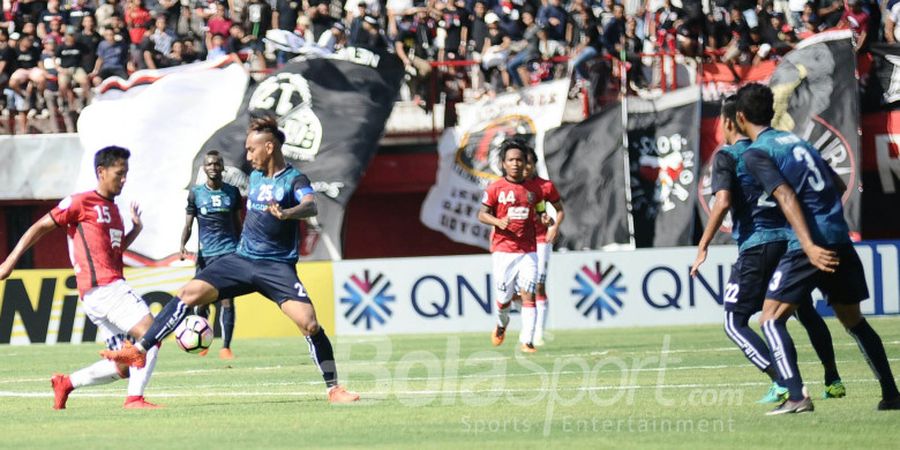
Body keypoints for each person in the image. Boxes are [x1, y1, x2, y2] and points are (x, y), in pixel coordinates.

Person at [101, 114, 359, 404]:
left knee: (310, 324)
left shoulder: (294, 179)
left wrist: (288, 213)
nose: (248, 156)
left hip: (276, 267)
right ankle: (140, 350)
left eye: (252, 149)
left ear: (269, 148)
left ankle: (334, 389)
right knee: (187, 293)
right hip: (242, 258)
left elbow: (310, 205)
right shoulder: (257, 177)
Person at [734, 83, 900, 414]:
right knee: (853, 321)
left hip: (810, 244)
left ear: (740, 118)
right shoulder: (799, 142)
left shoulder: (757, 152)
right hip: (838, 236)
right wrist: (827, 219)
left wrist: (808, 243)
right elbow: (837, 184)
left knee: (769, 319)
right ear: (772, 112)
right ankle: (892, 394)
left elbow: (784, 195)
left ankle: (796, 397)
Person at [691, 96, 845, 404]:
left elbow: (722, 202)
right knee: (805, 312)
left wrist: (703, 244)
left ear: (730, 121)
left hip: (757, 246)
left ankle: (784, 381)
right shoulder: (769, 149)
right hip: (789, 243)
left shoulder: (727, 156)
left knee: (734, 322)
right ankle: (833, 378)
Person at [0, 146, 161, 410]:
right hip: (106, 287)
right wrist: (9, 261)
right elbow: (40, 226)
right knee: (151, 335)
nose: (124, 179)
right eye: (119, 173)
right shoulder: (80, 202)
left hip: (96, 295)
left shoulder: (115, 213)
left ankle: (66, 383)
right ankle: (134, 399)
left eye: (126, 174)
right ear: (101, 171)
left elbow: (115, 252)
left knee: (123, 365)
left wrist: (135, 230)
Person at [478, 139, 547, 353]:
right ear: (503, 163)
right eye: (511, 160)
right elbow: (481, 214)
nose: (516, 163)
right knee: (503, 300)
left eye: (519, 159)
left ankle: (527, 341)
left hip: (528, 251)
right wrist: (498, 222)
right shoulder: (495, 188)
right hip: (503, 251)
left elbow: (540, 208)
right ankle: (501, 324)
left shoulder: (534, 188)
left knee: (529, 292)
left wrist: (544, 217)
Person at [180, 150, 242, 360]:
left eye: (217, 164)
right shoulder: (196, 193)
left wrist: (243, 246)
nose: (213, 167)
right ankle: (204, 343)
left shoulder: (233, 193)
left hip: (229, 253)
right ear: (204, 168)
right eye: (210, 164)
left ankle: (226, 347)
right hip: (206, 255)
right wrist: (182, 244)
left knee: (226, 300)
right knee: (202, 301)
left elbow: (238, 223)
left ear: (222, 167)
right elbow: (188, 224)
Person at [522, 148, 563, 347]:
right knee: (521, 286)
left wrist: (553, 228)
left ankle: (538, 332)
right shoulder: (515, 186)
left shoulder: (545, 186)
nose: (525, 166)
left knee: (538, 285)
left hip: (540, 240)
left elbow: (560, 210)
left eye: (529, 162)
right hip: (519, 242)